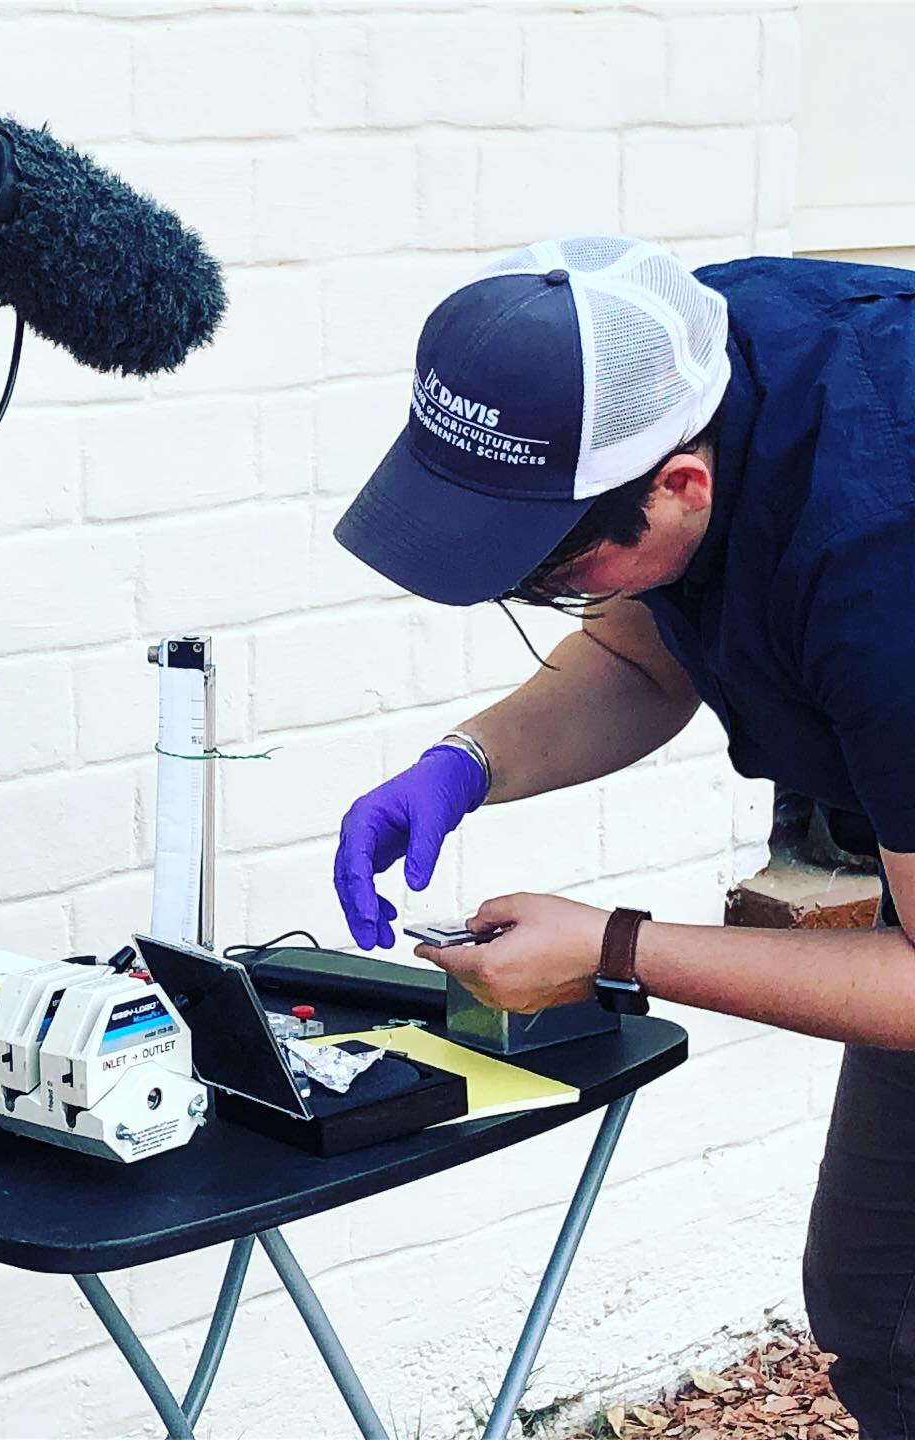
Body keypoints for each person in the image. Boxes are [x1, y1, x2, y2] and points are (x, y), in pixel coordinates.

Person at [330, 233, 915, 1437]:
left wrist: (616, 945)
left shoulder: (883, 585)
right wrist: (466, 762)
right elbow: (643, 647)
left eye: (553, 569)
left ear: (682, 485)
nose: (557, 597)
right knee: (877, 1299)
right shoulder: (697, 358)